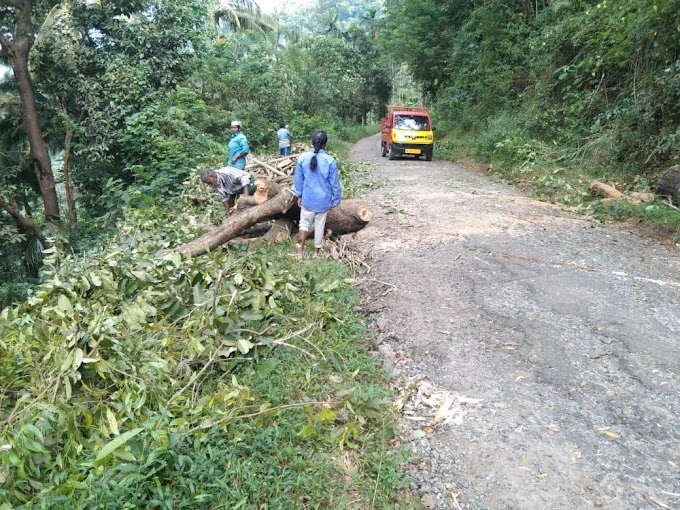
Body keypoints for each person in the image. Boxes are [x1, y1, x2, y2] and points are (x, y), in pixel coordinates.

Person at [292, 130, 342, 260]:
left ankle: (300, 252)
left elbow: (298, 181)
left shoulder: (302, 158)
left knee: (304, 223)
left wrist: (299, 195)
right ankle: (316, 253)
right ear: (326, 144)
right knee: (320, 225)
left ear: (311, 142)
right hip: (323, 200)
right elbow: (334, 183)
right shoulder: (330, 161)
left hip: (308, 198)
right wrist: (336, 199)